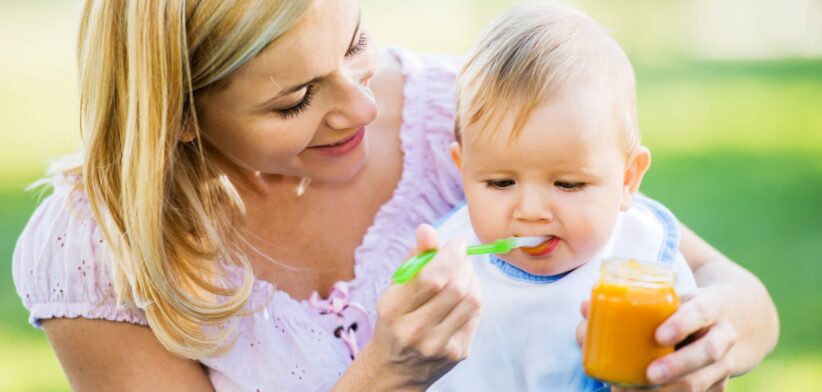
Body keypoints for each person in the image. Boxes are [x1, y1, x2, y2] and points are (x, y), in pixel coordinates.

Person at [11, 0, 777, 391]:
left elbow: (730, 288)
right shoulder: (98, 252)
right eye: (297, 99)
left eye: (354, 45)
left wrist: (714, 339)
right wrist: (387, 375)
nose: (365, 107)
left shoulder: (472, 118)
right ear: (176, 115)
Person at [427, 4, 696, 390]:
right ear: (463, 169)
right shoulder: (451, 267)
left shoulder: (645, 265)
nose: (532, 212)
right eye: (501, 183)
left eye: (568, 185)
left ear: (628, 179)